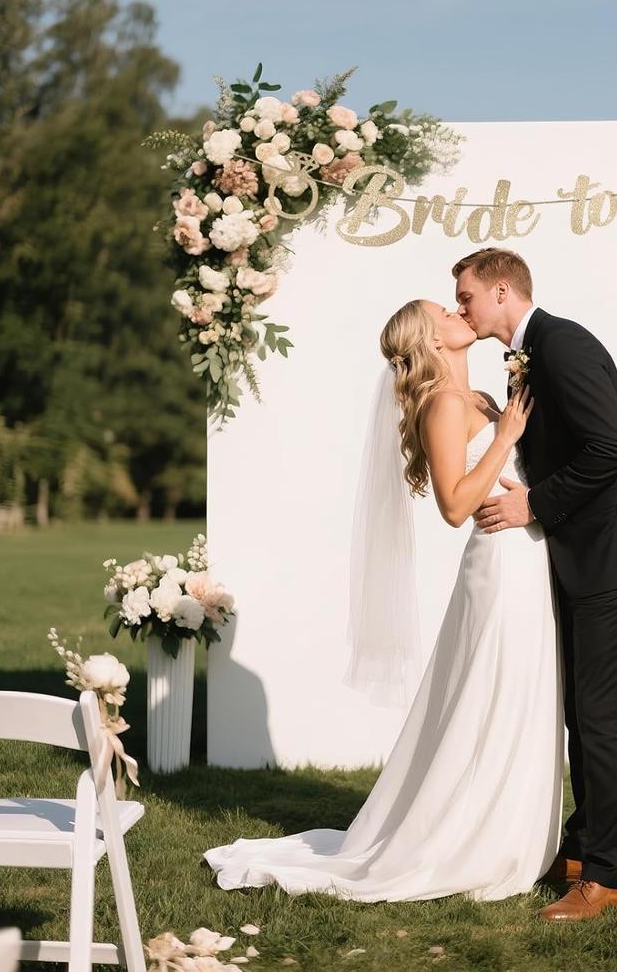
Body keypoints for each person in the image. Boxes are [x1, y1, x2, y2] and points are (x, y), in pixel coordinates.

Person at [203, 298, 567, 902]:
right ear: (431, 341)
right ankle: (471, 837)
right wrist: (505, 438)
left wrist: (508, 425)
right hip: (500, 562)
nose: (458, 312)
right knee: (491, 692)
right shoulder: (445, 407)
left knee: (523, 692)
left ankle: (514, 830)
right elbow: (454, 506)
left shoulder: (478, 398)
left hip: (530, 556)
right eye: (444, 311)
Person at [453, 247, 617, 922]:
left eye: (464, 294)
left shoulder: (563, 342)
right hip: (584, 555)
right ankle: (582, 849)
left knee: (605, 716)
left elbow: (614, 448)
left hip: (615, 555)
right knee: (584, 710)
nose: (459, 305)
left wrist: (534, 505)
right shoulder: (532, 351)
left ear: (500, 291)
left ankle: (606, 879)